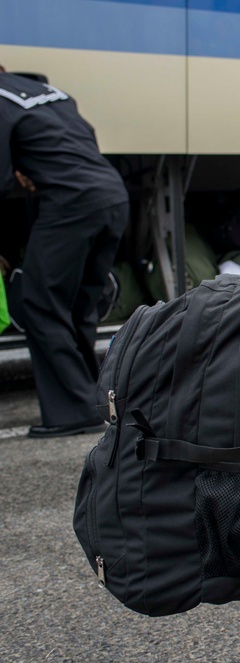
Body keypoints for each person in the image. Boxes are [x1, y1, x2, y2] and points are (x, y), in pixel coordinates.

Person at [0, 65, 129, 437]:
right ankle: (97, 401)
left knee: (40, 303)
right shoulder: (52, 96)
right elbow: (84, 139)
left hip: (70, 205)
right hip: (111, 195)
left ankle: (73, 414)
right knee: (79, 308)